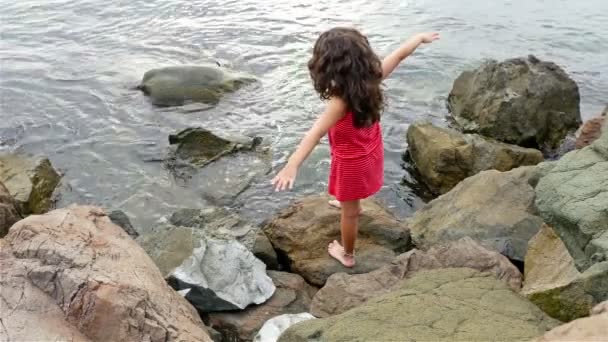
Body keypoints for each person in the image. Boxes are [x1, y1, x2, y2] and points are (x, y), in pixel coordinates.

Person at [272, 28, 440, 267]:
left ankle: (348, 254)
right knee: (349, 199)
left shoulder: (339, 102)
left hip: (352, 163)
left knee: (350, 213)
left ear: (328, 68)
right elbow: (400, 55)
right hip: (370, 152)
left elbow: (315, 133)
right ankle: (347, 201)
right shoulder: (373, 79)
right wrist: (418, 39)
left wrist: (291, 165)